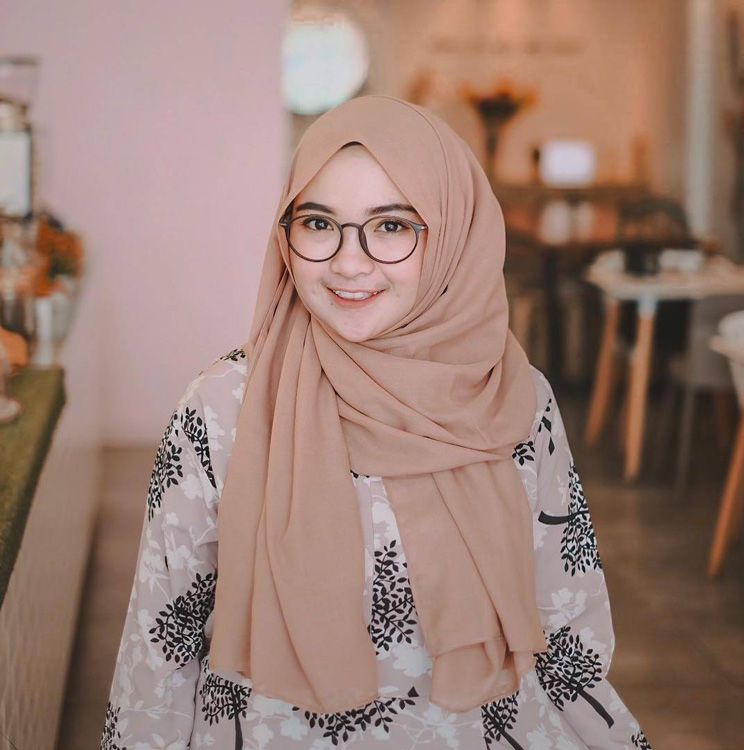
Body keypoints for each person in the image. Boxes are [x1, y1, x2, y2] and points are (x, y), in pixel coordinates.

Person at [101, 95, 652, 749]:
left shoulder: (515, 397)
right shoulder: (224, 407)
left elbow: (570, 626)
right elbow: (159, 647)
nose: (349, 262)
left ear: (452, 235)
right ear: (286, 235)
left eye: (390, 226)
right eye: (318, 223)